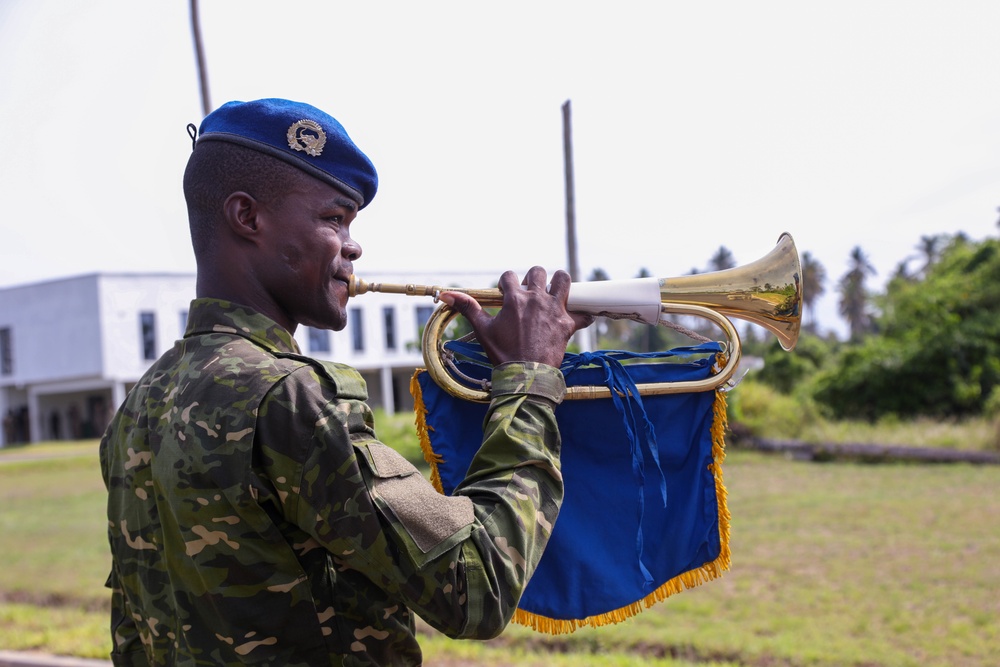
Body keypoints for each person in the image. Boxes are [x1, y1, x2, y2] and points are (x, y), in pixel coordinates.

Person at [100, 98, 591, 666]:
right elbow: (475, 587)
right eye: (333, 219)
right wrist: (530, 380)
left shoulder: (140, 404)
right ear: (247, 217)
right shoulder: (288, 396)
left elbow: (135, 638)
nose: (353, 246)